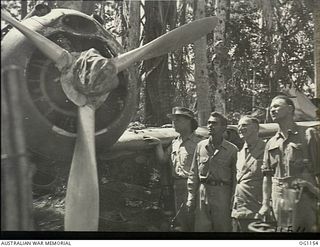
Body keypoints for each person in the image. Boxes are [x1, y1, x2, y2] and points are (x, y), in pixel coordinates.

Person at [258, 95, 320, 232]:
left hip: (304, 196)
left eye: (277, 106)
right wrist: (265, 204)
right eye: (271, 107)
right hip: (279, 198)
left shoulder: (308, 134)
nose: (272, 110)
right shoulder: (271, 142)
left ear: (290, 109)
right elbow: (267, 176)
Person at [144, 107, 203, 231]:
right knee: (181, 220)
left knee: (196, 220)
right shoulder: (174, 143)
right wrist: (158, 144)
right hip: (177, 186)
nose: (174, 123)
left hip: (194, 186)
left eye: (178, 120)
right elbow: (163, 160)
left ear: (188, 121)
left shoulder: (200, 143)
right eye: (173, 120)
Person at [187, 112, 238, 232]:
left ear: (223, 127)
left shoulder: (232, 150)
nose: (210, 126)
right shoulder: (201, 146)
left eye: (214, 123)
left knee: (223, 228)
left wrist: (234, 201)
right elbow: (193, 172)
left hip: (222, 193)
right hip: (203, 191)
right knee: (201, 228)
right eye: (209, 123)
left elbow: (235, 178)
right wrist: (191, 196)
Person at [231, 116, 265, 232]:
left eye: (244, 125)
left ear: (256, 128)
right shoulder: (240, 152)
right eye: (239, 125)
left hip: (257, 210)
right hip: (239, 210)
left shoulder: (266, 149)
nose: (240, 128)